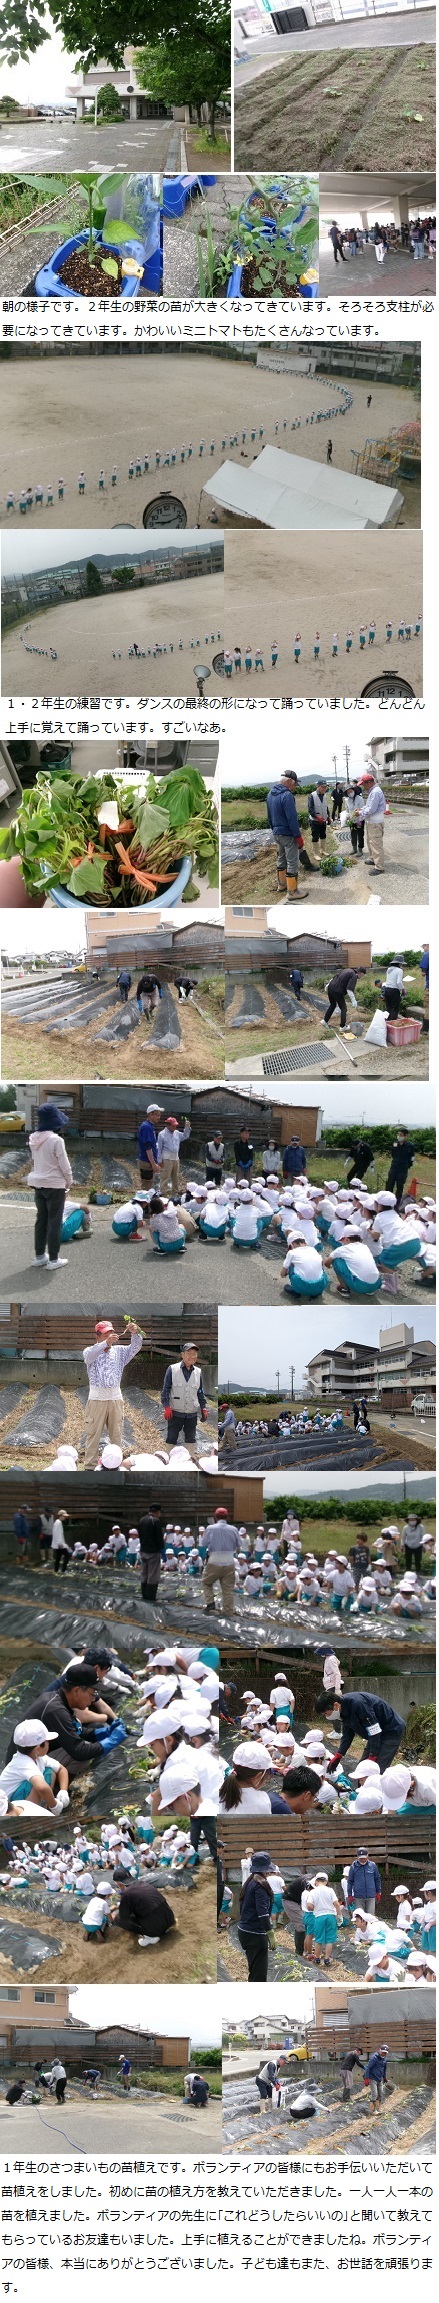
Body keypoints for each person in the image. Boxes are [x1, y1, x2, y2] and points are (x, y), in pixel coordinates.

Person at [82, 1318, 142, 1468]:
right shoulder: (90, 1351)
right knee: (93, 1435)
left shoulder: (119, 1352)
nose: (109, 1336)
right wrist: (105, 1344)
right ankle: (90, 1467)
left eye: (111, 1333)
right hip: (96, 1399)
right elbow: (88, 1357)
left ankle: (116, 1466)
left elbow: (135, 1347)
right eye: (105, 1334)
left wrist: (135, 1333)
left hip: (115, 1398)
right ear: (97, 1335)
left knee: (116, 1435)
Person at [27, 1100, 73, 1271]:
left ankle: (39, 1256)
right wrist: (69, 1181)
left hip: (38, 1183)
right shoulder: (56, 1140)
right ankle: (54, 1259)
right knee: (54, 1222)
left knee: (41, 1220)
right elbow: (64, 1165)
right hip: (55, 1185)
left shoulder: (33, 1138)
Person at [323, 1690, 405, 1774]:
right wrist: (339, 1755)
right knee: (361, 1770)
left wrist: (373, 1755)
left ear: (336, 1705)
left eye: (326, 1713)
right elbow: (347, 1735)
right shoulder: (343, 1710)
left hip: (391, 1730)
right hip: (375, 1733)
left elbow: (374, 1730)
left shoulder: (358, 1704)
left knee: (376, 1771)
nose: (327, 1716)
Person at [266, 769, 306, 902]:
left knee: (281, 859)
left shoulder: (270, 794)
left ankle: (281, 885)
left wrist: (274, 830)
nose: (294, 788)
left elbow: (269, 816)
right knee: (292, 861)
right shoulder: (287, 795)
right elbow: (292, 818)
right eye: (294, 785)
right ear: (289, 781)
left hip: (277, 833)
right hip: (288, 834)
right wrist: (298, 836)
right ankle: (292, 891)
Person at [161, 1342, 208, 1454]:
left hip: (191, 1413)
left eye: (195, 1354)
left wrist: (204, 1408)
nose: (192, 1356)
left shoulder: (198, 1372)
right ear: (182, 1355)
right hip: (175, 1412)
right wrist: (166, 1406)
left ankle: (189, 1460)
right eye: (189, 1353)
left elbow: (200, 1392)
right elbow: (166, 1390)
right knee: (171, 1438)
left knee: (191, 1439)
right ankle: (169, 1459)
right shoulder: (172, 1369)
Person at [238, 1853, 274, 1981]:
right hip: (255, 1934)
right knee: (259, 1976)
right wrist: (270, 1933)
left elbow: (242, 1907)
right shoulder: (260, 1885)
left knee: (254, 1971)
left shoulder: (250, 1882)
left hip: (245, 1931)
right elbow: (262, 1912)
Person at [111, 1878, 177, 1947]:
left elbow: (123, 1916)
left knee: (118, 1919)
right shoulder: (144, 1884)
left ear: (119, 1883)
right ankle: (164, 1927)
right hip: (169, 1919)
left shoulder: (127, 1894)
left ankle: (150, 1937)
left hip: (157, 1929)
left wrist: (115, 1914)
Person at [203, 1509, 240, 1613]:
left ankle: (210, 1603)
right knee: (228, 1589)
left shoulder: (210, 1528)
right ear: (227, 1517)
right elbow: (239, 1544)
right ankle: (228, 1612)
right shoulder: (233, 1529)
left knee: (206, 1582)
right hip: (229, 1561)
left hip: (214, 1560)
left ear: (215, 1517)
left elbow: (204, 1543)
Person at [138, 1506, 165, 1607]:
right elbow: (159, 1537)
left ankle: (144, 1594)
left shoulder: (142, 1520)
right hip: (153, 1551)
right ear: (157, 1512)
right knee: (153, 1575)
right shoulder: (155, 1521)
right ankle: (150, 1596)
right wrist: (162, 1549)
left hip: (143, 1550)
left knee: (144, 1573)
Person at [156, 1115, 191, 1194]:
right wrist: (159, 1160)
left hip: (175, 1158)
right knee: (165, 1177)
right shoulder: (162, 1134)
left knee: (175, 1176)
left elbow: (185, 1136)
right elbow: (159, 1148)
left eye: (175, 1125)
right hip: (166, 1158)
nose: (175, 1127)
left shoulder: (177, 1133)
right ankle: (163, 1192)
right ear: (168, 1125)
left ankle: (175, 1192)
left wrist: (187, 1128)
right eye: (173, 1125)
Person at [362, 774, 386, 874]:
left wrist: (359, 812)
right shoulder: (373, 791)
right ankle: (373, 859)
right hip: (371, 822)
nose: (363, 786)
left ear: (369, 783)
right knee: (370, 842)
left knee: (376, 844)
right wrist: (362, 809)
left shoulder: (375, 792)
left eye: (364, 784)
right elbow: (368, 806)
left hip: (375, 823)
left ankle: (379, 867)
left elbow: (371, 809)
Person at [386, 1128, 415, 1205]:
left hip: (402, 1169)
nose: (399, 1136)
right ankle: (387, 1202)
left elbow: (412, 1157)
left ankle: (397, 1204)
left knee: (399, 1187)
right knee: (389, 1185)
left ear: (406, 1136)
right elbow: (393, 1154)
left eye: (401, 1135)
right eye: (398, 1134)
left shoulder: (410, 1145)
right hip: (394, 1167)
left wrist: (408, 1165)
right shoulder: (395, 1144)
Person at [138, 1104, 164, 1184]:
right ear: (150, 1114)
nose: (159, 1117)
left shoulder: (150, 1126)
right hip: (147, 1162)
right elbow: (148, 1147)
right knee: (146, 1188)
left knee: (148, 1187)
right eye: (157, 1115)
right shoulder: (146, 1127)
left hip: (149, 1161)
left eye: (159, 1115)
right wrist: (153, 1164)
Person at [364, 2045, 388, 2111]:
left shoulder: (384, 2059)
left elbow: (384, 2069)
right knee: (374, 2094)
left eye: (385, 2053)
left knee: (380, 2094)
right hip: (373, 2078)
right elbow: (368, 2068)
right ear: (380, 2050)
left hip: (379, 2079)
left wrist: (384, 2077)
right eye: (383, 2052)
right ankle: (372, 2110)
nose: (384, 2054)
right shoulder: (374, 2058)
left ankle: (378, 2108)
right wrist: (366, 2078)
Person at [308, 780, 329, 853]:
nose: (324, 788)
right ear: (318, 786)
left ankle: (322, 850)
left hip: (323, 820)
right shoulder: (312, 795)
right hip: (315, 821)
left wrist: (328, 816)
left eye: (325, 787)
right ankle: (315, 853)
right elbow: (310, 809)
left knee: (323, 835)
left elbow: (326, 807)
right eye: (322, 787)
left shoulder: (325, 795)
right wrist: (317, 817)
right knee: (315, 837)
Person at [51, 1510, 72, 1575]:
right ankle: (63, 1570)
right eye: (64, 1516)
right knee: (67, 1555)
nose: (65, 1517)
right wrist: (60, 1543)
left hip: (59, 1543)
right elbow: (57, 1533)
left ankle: (56, 1570)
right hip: (59, 1544)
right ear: (60, 1516)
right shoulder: (58, 1523)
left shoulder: (58, 1522)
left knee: (58, 1557)